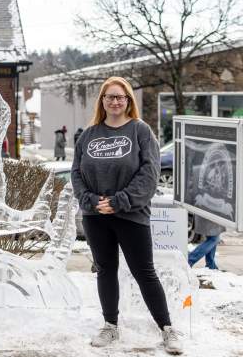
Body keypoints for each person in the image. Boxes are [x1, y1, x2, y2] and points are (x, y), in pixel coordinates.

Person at [71, 76, 183, 355]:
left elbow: (150, 173)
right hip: (95, 215)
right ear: (103, 101)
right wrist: (92, 201)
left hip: (131, 214)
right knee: (105, 270)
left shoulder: (140, 131)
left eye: (121, 97)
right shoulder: (89, 134)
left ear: (129, 100)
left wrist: (120, 201)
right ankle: (110, 325)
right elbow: (76, 172)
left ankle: (167, 329)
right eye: (110, 96)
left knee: (144, 272)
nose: (115, 101)